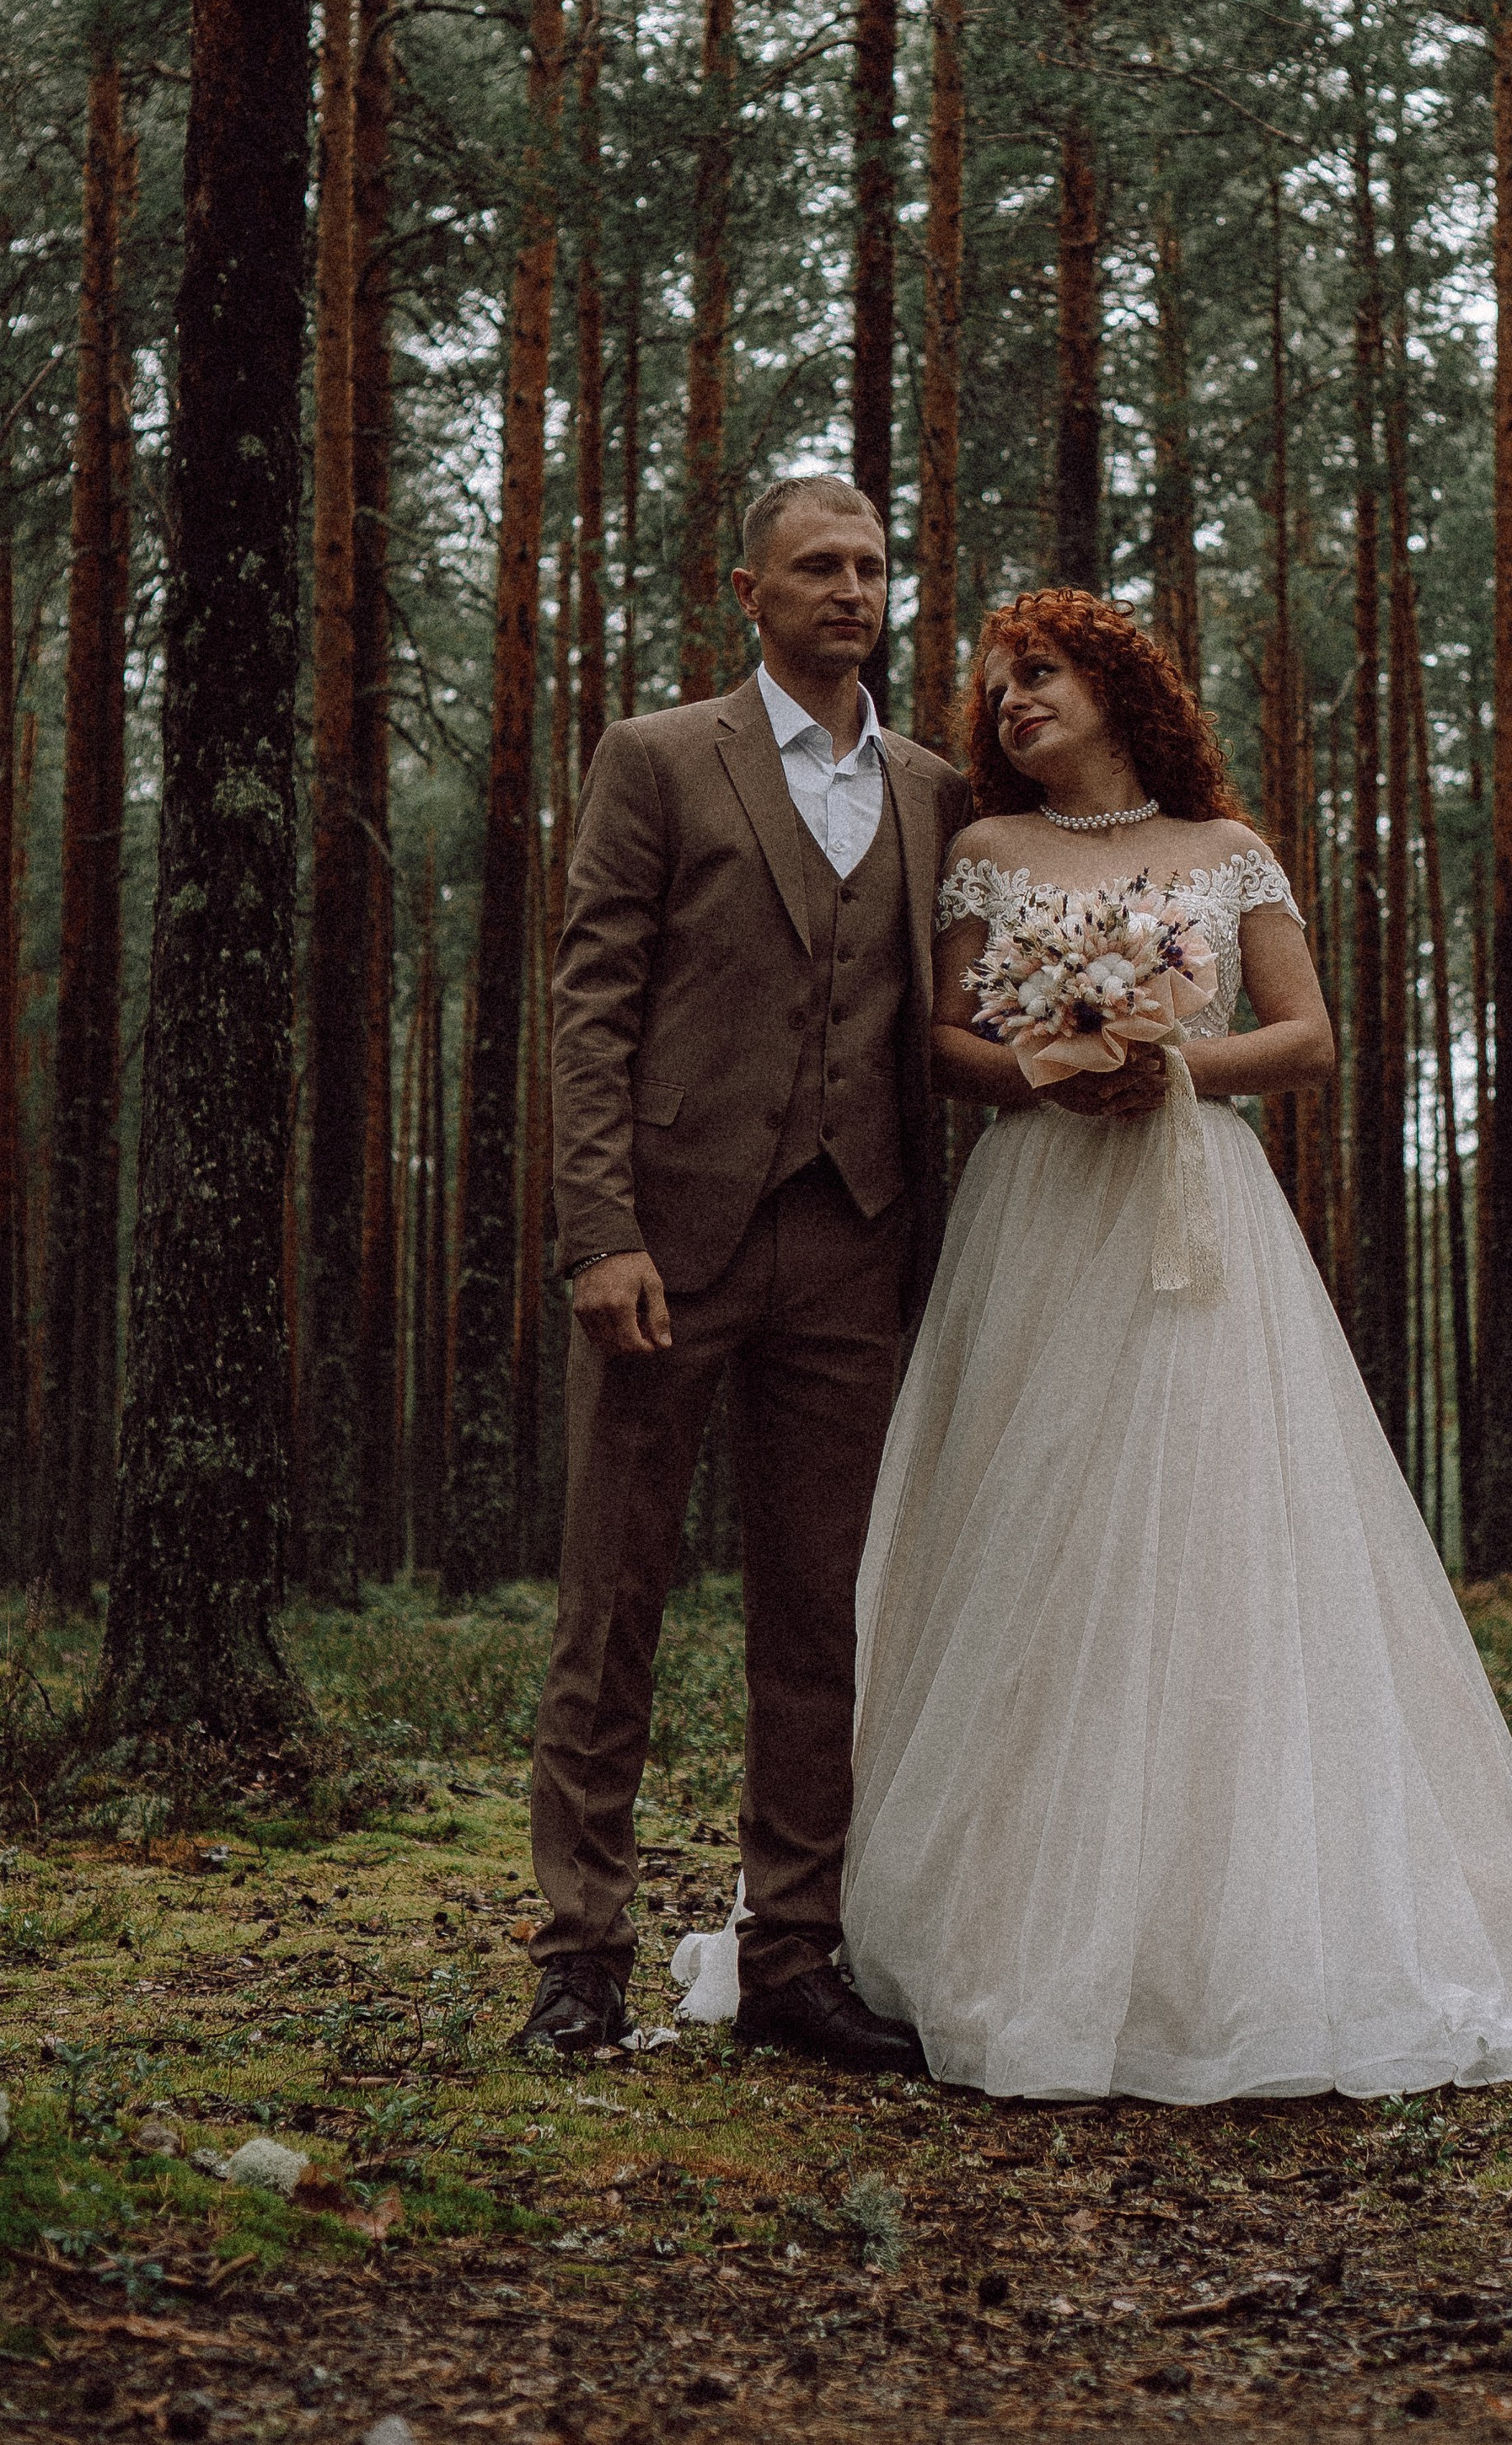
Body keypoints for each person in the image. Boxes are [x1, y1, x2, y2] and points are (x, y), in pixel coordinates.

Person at [840, 590, 1512, 2101]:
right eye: (999, 691)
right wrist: (1050, 1069)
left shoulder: (1226, 851)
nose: (1010, 707)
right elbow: (935, 1042)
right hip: (1039, 1212)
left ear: (1121, 689)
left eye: (1038, 677)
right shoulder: (985, 856)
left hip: (1199, 1208)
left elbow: (1310, 1038)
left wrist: (1163, 1059)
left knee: (1216, 1534)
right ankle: (1006, 1927)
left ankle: (1223, 1933)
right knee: (1029, 1533)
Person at [520, 473, 970, 2068]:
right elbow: (592, 1007)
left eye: (874, 565)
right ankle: (579, 1953)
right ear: (749, 592)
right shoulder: (655, 759)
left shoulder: (931, 785)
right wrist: (601, 1230)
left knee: (820, 1613)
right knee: (612, 1602)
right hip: (671, 1245)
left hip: (853, 1248)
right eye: (820, 568)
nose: (854, 591)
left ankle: (793, 1951)